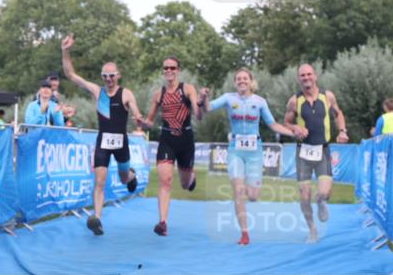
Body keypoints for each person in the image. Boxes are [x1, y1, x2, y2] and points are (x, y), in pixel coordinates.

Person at [200, 68, 301, 246]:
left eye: (245, 78)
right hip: (235, 151)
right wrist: (204, 97)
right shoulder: (228, 98)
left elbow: (273, 125)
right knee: (238, 191)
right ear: (235, 82)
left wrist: (293, 133)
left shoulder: (260, 102)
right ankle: (244, 234)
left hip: (255, 152)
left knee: (253, 196)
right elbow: (208, 108)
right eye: (238, 79)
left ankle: (248, 189)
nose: (242, 81)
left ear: (251, 81)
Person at [61, 34, 147, 236]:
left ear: (118, 76)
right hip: (103, 142)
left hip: (121, 143)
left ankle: (132, 175)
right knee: (99, 181)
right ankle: (97, 219)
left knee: (124, 179)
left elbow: (135, 110)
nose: (108, 79)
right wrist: (65, 51)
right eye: (105, 76)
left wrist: (138, 117)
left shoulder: (126, 93)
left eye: (112, 75)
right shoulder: (97, 91)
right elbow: (71, 75)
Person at [284, 63, 348, 243]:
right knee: (304, 196)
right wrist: (295, 128)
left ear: (315, 76)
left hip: (323, 150)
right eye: (302, 75)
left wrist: (342, 131)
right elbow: (286, 123)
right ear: (299, 79)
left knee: (323, 193)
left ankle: (321, 202)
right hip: (303, 152)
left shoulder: (327, 96)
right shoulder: (294, 101)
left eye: (309, 74)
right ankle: (312, 230)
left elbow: (338, 114)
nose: (306, 78)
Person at [138, 56, 199, 236]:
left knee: (185, 184)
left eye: (172, 68)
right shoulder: (159, 94)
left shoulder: (188, 89)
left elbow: (198, 113)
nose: (169, 71)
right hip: (167, 140)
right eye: (166, 68)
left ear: (178, 70)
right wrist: (143, 123)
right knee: (165, 180)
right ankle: (162, 222)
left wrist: (202, 103)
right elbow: (150, 122)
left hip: (186, 140)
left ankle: (191, 177)